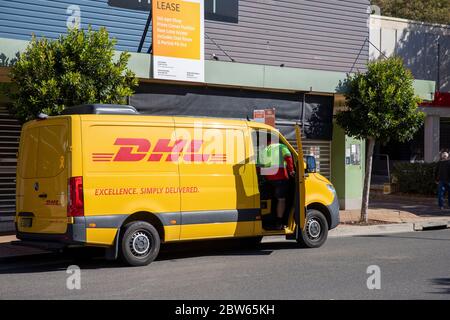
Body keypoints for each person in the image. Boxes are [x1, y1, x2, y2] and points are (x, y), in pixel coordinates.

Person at [261, 135, 295, 229]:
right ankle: (279, 221)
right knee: (281, 199)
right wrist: (291, 170)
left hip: (269, 178)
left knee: (273, 197)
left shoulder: (265, 150)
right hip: (280, 177)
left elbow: (259, 166)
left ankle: (269, 219)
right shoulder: (281, 146)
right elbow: (288, 157)